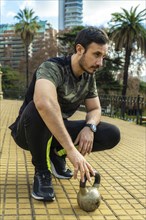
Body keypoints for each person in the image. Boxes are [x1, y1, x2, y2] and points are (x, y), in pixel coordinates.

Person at [9, 27, 120, 201]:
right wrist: (72, 151)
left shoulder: (89, 77)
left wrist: (89, 127)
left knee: (111, 133)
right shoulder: (52, 67)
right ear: (79, 49)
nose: (100, 63)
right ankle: (42, 172)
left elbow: (95, 109)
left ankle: (55, 154)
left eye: (103, 57)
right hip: (28, 132)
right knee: (38, 107)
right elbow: (44, 104)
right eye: (96, 54)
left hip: (56, 131)